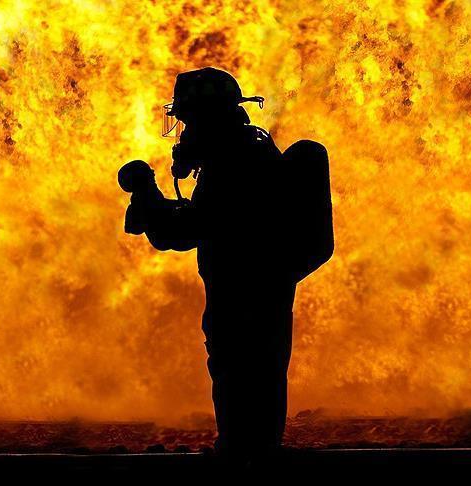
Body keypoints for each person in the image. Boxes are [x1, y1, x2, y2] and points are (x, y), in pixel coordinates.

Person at [125, 67, 332, 461]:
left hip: (243, 293)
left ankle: (243, 456)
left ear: (208, 118)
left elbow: (190, 230)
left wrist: (149, 199)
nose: (183, 132)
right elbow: (206, 221)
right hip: (254, 289)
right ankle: (251, 451)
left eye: (188, 120)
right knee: (257, 370)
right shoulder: (244, 153)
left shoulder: (235, 162)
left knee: (241, 369)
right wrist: (155, 207)